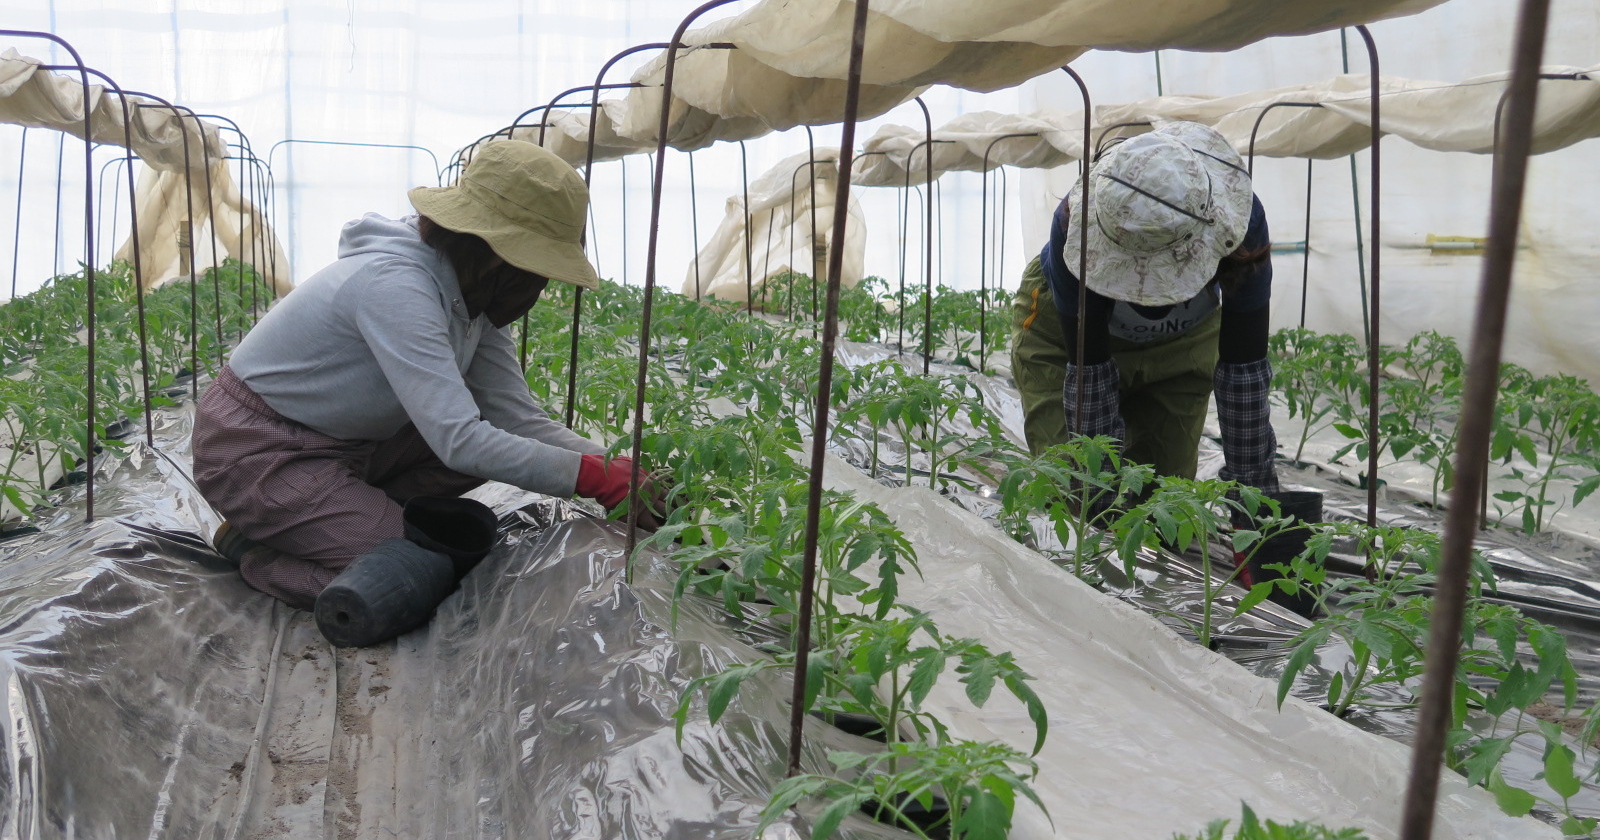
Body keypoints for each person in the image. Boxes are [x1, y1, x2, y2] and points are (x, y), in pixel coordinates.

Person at [192, 140, 661, 641]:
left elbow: (515, 419)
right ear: (497, 254)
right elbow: (459, 438)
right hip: (257, 452)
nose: (540, 288)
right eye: (539, 271)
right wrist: (595, 478)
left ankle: (327, 519)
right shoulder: (396, 286)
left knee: (477, 465)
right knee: (415, 561)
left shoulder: (472, 295)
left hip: (358, 444)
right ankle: (258, 554)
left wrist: (620, 468)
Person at [1008, 121, 1279, 494]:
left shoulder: (1241, 225)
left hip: (1179, 346)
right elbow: (1090, 377)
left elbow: (1243, 376)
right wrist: (1096, 500)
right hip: (1065, 343)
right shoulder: (1076, 232)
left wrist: (1254, 499)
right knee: (1073, 487)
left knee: (1163, 495)